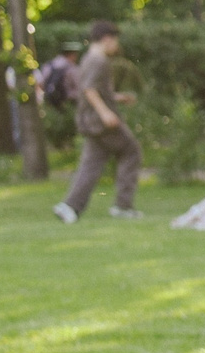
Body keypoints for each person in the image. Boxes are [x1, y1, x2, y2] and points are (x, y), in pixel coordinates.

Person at [53, 22, 143, 223]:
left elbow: (94, 90)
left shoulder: (87, 59)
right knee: (132, 151)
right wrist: (105, 113)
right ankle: (123, 205)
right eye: (115, 40)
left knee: (91, 165)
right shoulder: (99, 60)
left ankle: (69, 207)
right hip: (100, 121)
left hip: (89, 120)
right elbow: (89, 90)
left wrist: (117, 98)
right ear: (107, 39)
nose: (116, 45)